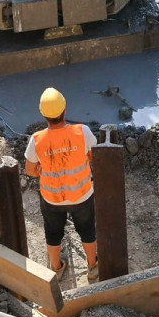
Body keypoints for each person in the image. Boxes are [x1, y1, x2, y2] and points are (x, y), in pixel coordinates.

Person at [24, 87, 98, 281]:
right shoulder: (83, 132)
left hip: (52, 198)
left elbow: (30, 171)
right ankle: (93, 266)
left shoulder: (36, 139)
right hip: (82, 194)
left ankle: (56, 268)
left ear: (43, 114)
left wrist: (45, 169)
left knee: (53, 232)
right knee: (87, 229)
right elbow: (93, 158)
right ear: (65, 110)